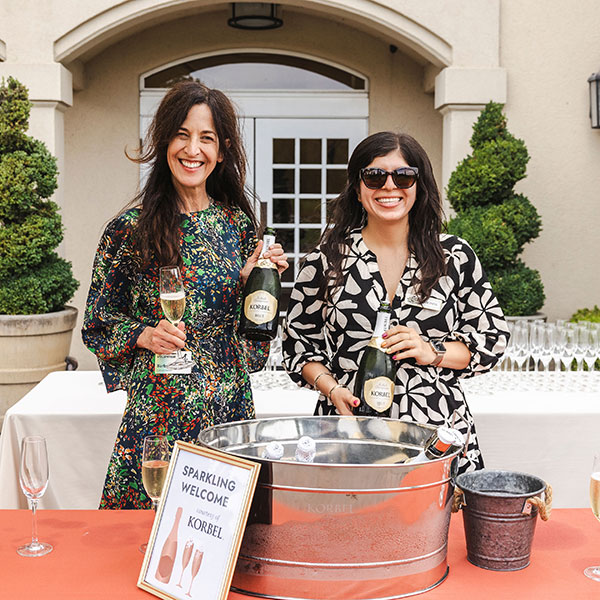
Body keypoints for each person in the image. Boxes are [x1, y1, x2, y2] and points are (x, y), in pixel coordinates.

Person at [82, 81, 288, 509]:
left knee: (224, 542)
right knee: (145, 542)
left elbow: (252, 341)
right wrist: (144, 335)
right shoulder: (129, 230)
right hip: (160, 413)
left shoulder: (237, 224)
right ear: (164, 140)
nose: (192, 149)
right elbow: (98, 321)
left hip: (228, 409)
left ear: (223, 149)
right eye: (182, 134)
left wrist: (254, 281)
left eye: (206, 138)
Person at [282, 131, 509, 473]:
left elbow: (491, 340)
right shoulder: (324, 260)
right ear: (357, 189)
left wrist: (432, 352)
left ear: (419, 187)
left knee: (436, 527)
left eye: (403, 176)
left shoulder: (454, 256)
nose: (389, 186)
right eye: (374, 176)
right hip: (350, 433)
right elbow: (298, 347)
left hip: (436, 434)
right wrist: (332, 390)